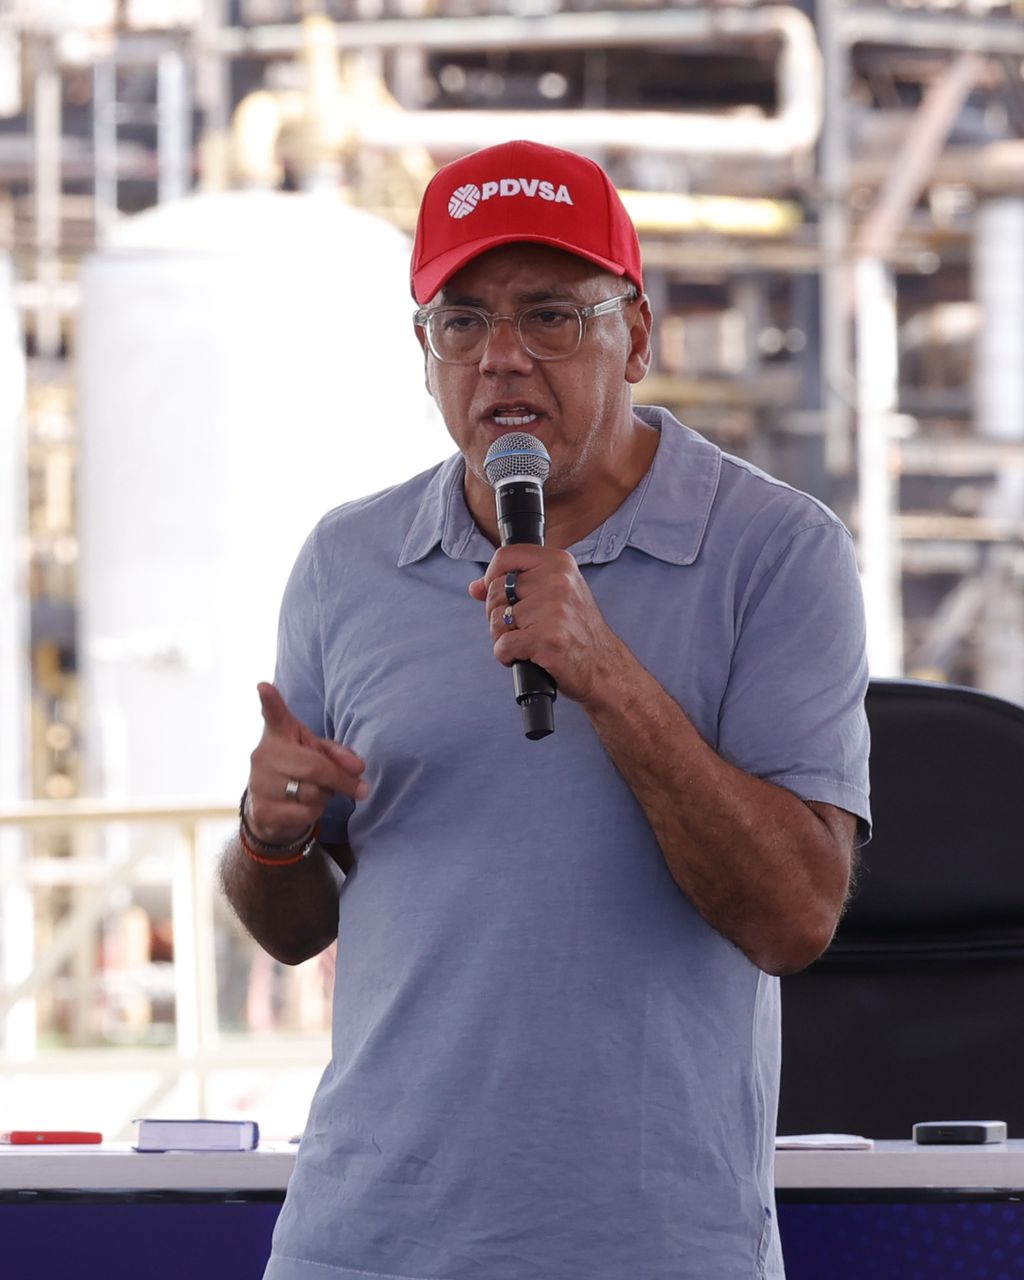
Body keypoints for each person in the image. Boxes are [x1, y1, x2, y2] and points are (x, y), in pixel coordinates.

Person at [221, 138, 870, 1280]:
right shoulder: (346, 560)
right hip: (365, 1244)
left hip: (650, 1249)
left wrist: (608, 676)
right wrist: (267, 837)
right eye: (461, 322)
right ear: (424, 353)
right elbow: (294, 928)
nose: (502, 359)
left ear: (639, 336)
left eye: (551, 317)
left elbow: (796, 917)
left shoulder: (775, 552)